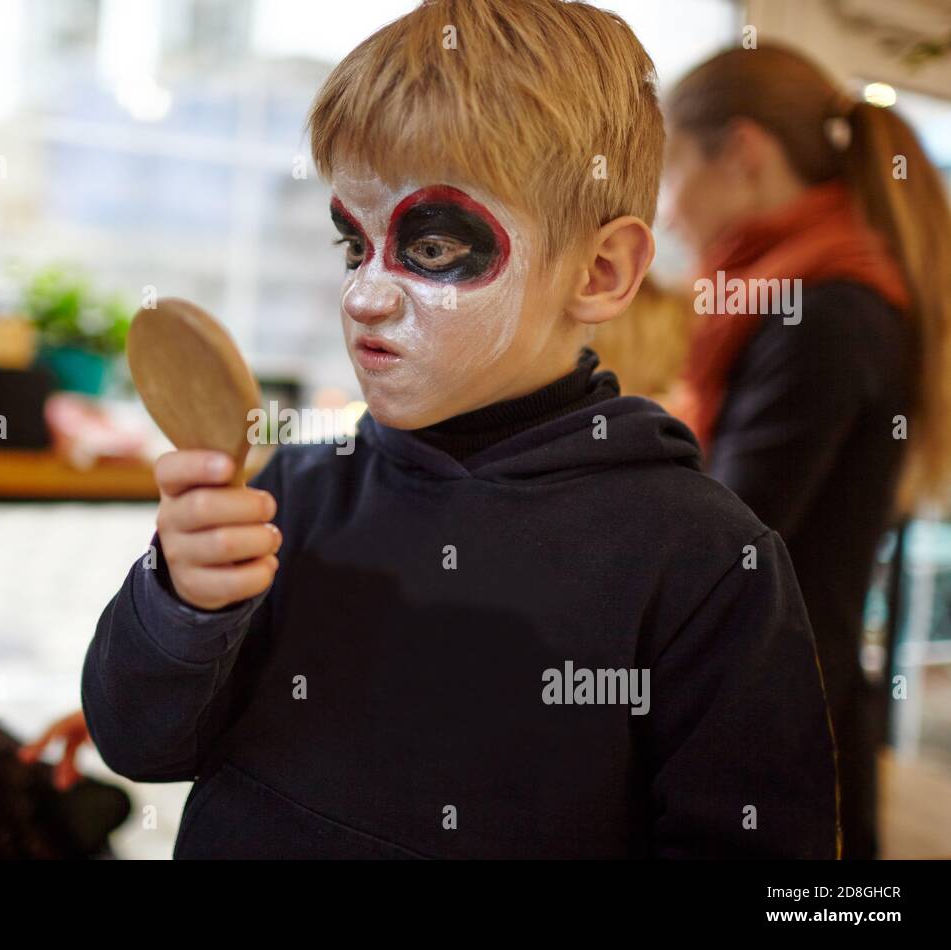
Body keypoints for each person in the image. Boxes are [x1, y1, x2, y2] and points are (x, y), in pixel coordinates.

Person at [81, 0, 837, 858]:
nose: (364, 295)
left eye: (432, 249)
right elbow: (139, 741)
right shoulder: (290, 491)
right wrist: (179, 602)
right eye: (352, 245)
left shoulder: (703, 566)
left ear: (598, 270)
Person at [663, 44, 951, 859]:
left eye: (672, 170)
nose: (668, 210)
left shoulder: (822, 312)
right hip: (792, 702)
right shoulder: (810, 294)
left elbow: (731, 539)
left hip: (787, 719)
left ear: (743, 154)